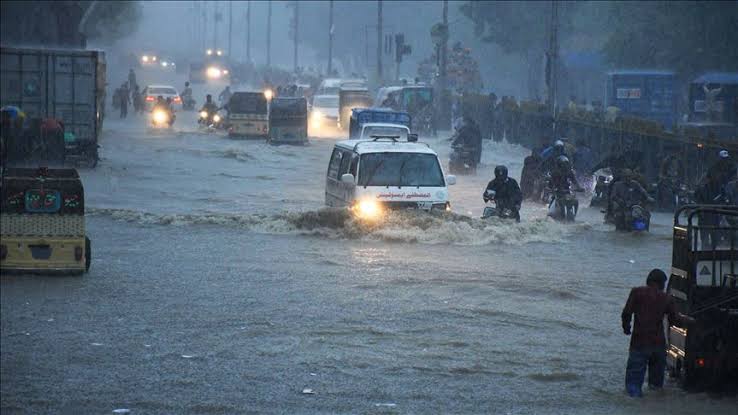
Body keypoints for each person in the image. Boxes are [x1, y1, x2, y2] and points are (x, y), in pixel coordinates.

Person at [621, 269, 691, 397]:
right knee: (656, 388)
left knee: (633, 386)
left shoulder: (636, 292)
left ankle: (635, 403)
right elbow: (675, 321)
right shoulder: (667, 298)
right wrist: (689, 320)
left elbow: (626, 313)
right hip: (658, 346)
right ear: (662, 283)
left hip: (639, 344)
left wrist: (626, 328)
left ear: (649, 280)